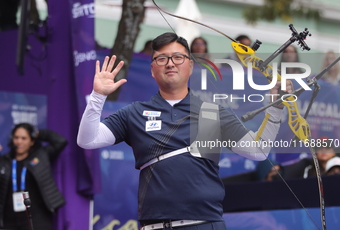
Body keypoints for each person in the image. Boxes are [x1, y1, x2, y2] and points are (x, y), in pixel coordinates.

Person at [77, 32, 291, 230]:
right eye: (161, 59)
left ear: (190, 65)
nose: (170, 64)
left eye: (178, 57)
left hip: (205, 223)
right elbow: (88, 140)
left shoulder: (213, 112)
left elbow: (258, 151)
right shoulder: (135, 112)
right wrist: (98, 96)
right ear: (152, 69)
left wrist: (275, 108)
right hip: (154, 225)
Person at [0, 123, 67, 230]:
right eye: (16, 137)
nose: (19, 141)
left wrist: (37, 133)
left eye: (24, 138)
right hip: (9, 218)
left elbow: (60, 141)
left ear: (32, 141)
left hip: (37, 216)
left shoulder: (41, 156)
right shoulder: (4, 161)